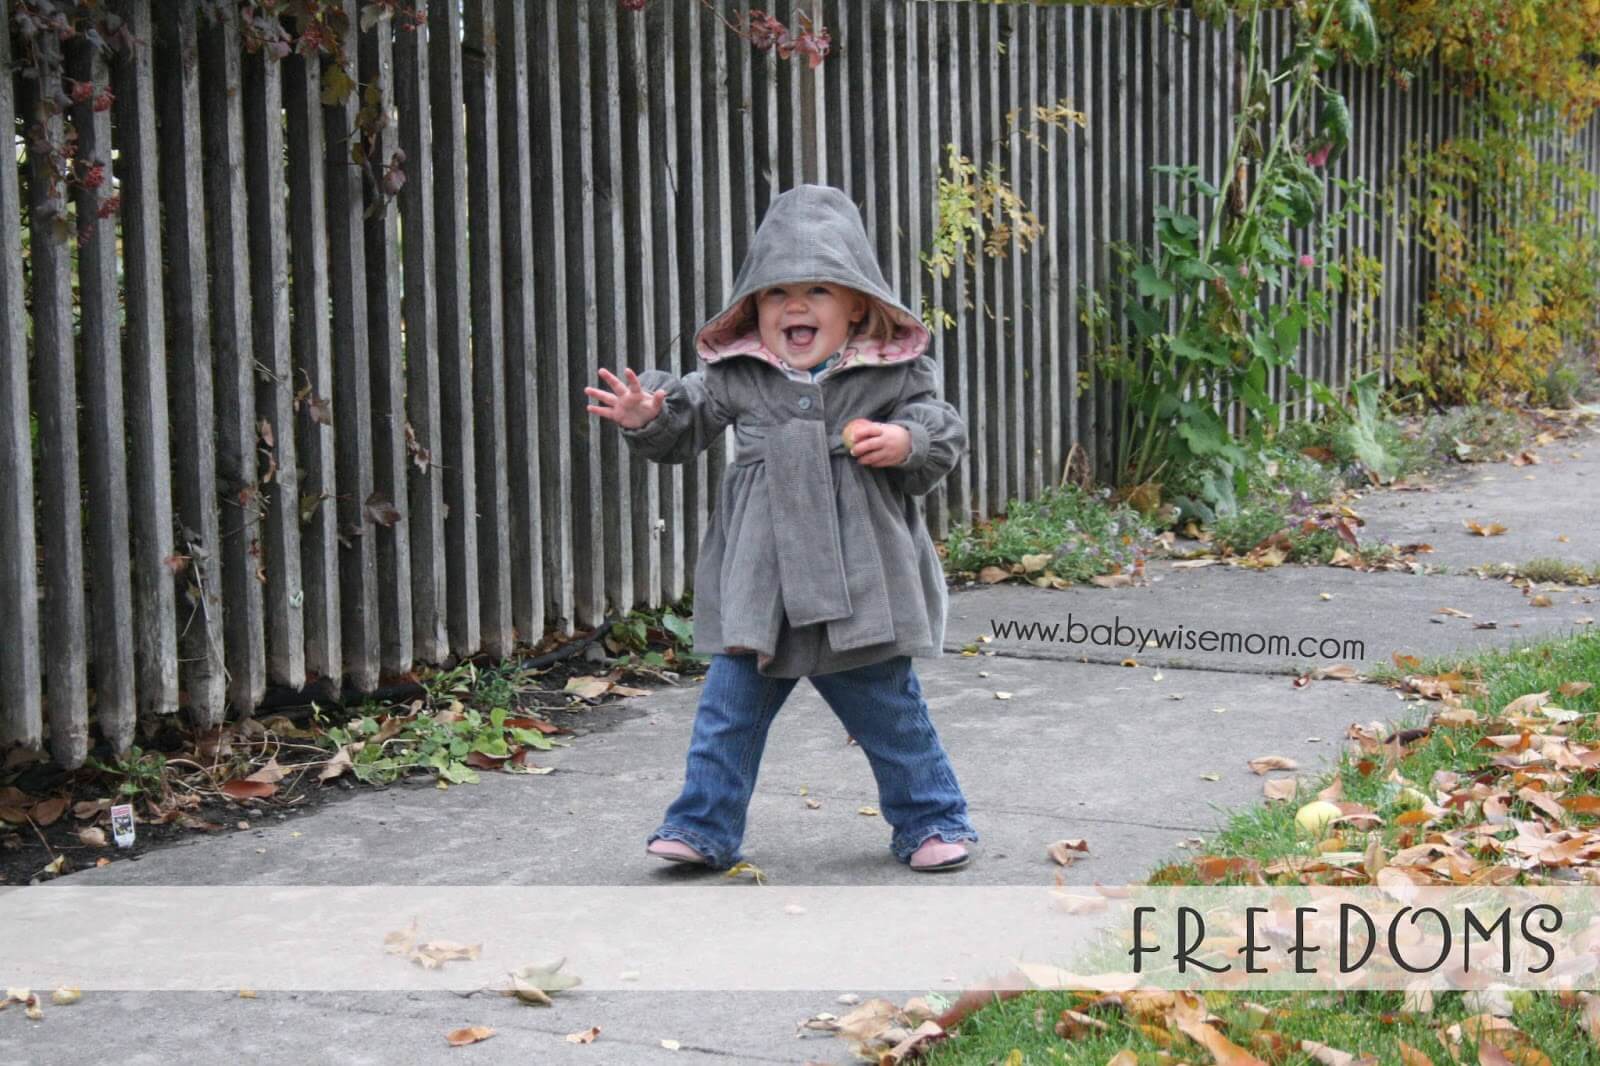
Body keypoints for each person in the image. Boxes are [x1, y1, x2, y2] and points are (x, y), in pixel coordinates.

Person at [584, 184, 977, 873]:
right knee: (726, 716)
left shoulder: (894, 371)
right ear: (751, 307)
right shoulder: (735, 374)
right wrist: (651, 415)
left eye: (819, 289)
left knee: (888, 712)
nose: (796, 305)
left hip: (861, 583)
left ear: (858, 303)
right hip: (761, 587)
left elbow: (938, 429)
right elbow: (687, 422)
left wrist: (905, 440)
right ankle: (703, 826)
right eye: (776, 292)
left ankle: (932, 818)